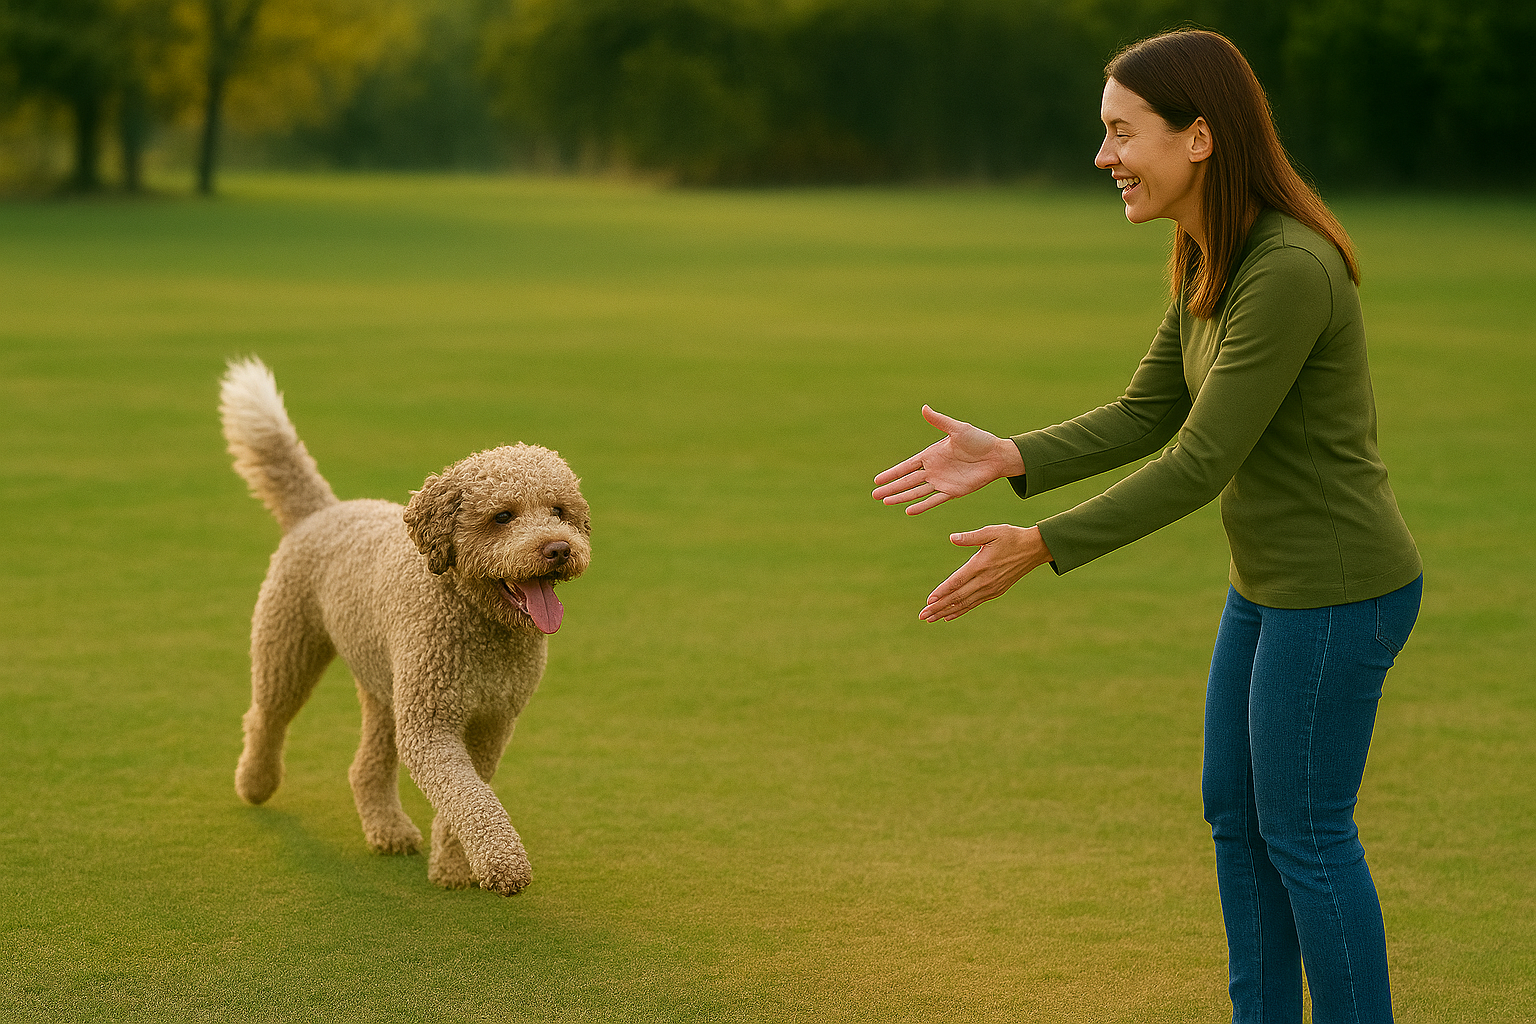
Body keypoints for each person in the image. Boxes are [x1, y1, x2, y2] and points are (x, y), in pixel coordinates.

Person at [871, 28, 1422, 1024]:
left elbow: (1200, 460)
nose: (1103, 157)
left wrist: (1042, 545)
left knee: (1303, 829)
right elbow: (1147, 412)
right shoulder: (1213, 251)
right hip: (1268, 588)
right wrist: (1013, 456)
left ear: (1199, 136)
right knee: (1238, 817)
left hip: (1340, 593)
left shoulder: (1288, 267)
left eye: (1122, 133)